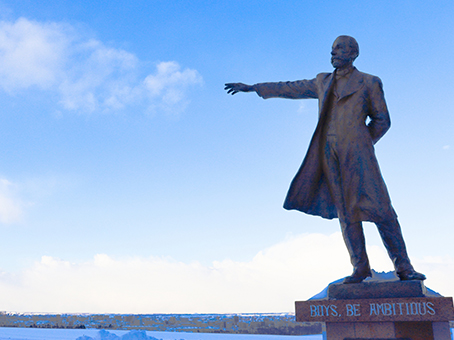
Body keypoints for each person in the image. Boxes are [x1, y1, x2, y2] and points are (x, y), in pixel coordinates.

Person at [224, 36, 425, 284]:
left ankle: (404, 268)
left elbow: (382, 120)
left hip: (359, 157)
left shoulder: (369, 82)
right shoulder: (323, 81)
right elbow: (291, 88)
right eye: (332, 49)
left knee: (382, 211)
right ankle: (360, 268)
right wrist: (255, 87)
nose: (333, 53)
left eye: (339, 48)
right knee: (346, 213)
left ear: (353, 53)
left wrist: (361, 143)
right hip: (330, 157)